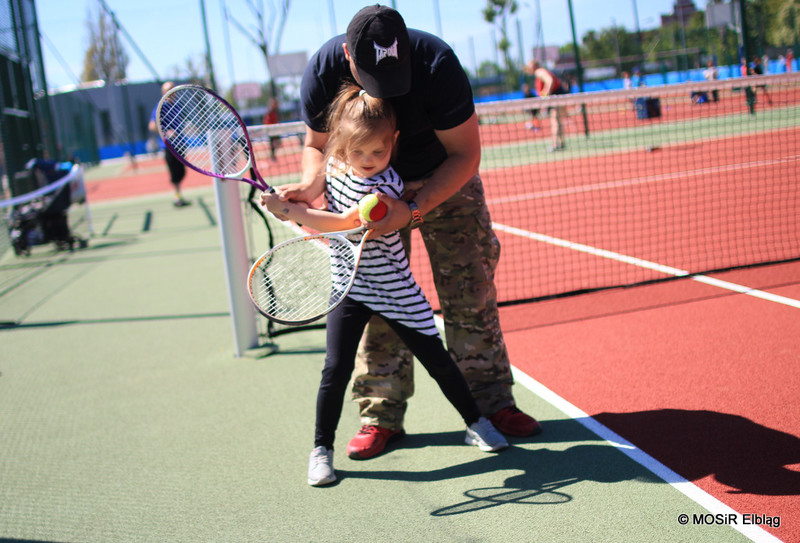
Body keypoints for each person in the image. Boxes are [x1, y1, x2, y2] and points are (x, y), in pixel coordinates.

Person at [273, 4, 542, 461]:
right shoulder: (322, 70)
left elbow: (466, 155)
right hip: (361, 187)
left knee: (470, 292)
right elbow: (317, 146)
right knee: (375, 297)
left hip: (443, 180)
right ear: (348, 57)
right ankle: (381, 415)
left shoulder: (436, 64)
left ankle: (492, 406)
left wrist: (412, 211)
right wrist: (313, 183)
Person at [262, 84, 509, 486]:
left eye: (378, 152)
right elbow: (319, 202)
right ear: (340, 145)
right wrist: (293, 202)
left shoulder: (386, 186)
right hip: (350, 289)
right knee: (335, 368)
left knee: (438, 361)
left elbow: (343, 224)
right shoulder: (334, 171)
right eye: (359, 153)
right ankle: (321, 449)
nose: (369, 161)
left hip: (396, 290)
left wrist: (290, 210)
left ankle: (476, 422)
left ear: (393, 142)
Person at [148, 81, 190, 208]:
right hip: (169, 146)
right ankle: (177, 196)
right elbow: (152, 126)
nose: (172, 92)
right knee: (175, 173)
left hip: (181, 144)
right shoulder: (160, 107)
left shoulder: (177, 106)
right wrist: (166, 132)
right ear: (163, 92)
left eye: (173, 89)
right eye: (168, 89)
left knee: (182, 172)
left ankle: (178, 194)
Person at [524, 59, 568, 151]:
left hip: (555, 95)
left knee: (555, 120)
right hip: (559, 94)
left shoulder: (539, 71)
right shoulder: (540, 73)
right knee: (558, 120)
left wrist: (546, 93)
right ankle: (560, 143)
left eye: (529, 65)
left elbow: (550, 80)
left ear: (534, 65)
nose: (528, 68)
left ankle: (556, 144)